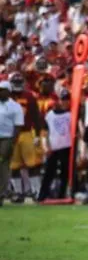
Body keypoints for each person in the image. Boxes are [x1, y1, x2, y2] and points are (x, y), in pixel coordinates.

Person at [8, 72, 43, 202]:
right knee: (14, 165)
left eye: (19, 83)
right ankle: (18, 193)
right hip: (11, 133)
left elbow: (36, 116)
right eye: (15, 83)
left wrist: (38, 135)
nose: (17, 86)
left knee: (32, 164)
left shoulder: (29, 96)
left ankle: (37, 191)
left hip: (26, 132)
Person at [37, 90, 73, 202]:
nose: (65, 102)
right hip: (53, 147)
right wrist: (46, 146)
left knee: (64, 173)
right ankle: (42, 195)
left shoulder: (71, 114)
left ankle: (62, 194)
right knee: (49, 172)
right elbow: (45, 132)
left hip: (66, 146)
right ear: (59, 100)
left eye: (67, 99)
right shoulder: (50, 115)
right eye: (63, 99)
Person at [0, 81, 25, 207]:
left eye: (2, 89)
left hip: (6, 138)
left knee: (2, 162)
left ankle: (2, 193)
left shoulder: (15, 107)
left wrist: (12, 142)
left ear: (8, 91)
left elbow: (18, 125)